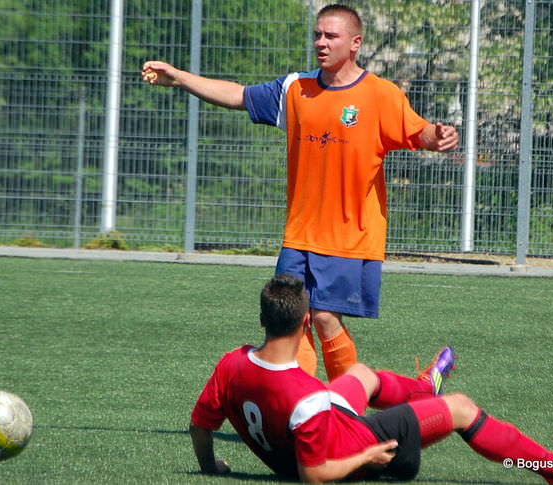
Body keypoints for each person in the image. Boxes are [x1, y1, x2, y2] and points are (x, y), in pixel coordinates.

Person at [142, 4, 460, 381]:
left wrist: (437, 137)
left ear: (356, 43)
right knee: (293, 322)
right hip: (298, 236)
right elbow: (238, 94)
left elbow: (416, 130)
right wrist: (178, 78)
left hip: (348, 236)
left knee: (325, 317)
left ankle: (349, 410)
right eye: (317, 34)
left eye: (331, 36)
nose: (320, 42)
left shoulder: (380, 95)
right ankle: (306, 413)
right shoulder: (297, 89)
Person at [190, 273, 553, 483]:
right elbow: (314, 475)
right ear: (306, 325)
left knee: (361, 374)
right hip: (355, 445)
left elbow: (199, 426)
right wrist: (367, 458)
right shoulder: (308, 398)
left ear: (261, 319)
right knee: (463, 409)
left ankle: (424, 387)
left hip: (317, 427)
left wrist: (210, 467)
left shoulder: (233, 362)